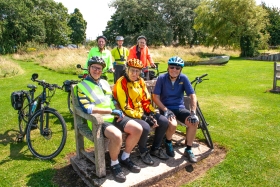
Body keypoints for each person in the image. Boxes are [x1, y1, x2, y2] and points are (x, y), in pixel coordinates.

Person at [76, 56, 143, 182]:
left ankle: (125, 157)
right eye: (94, 68)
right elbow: (87, 108)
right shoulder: (81, 86)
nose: (97, 71)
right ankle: (114, 163)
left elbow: (112, 100)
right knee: (117, 135)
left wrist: (118, 111)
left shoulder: (104, 83)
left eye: (100, 68)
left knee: (137, 129)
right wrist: (111, 111)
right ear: (89, 68)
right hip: (99, 121)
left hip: (114, 116)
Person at [113, 58, 175, 166]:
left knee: (164, 121)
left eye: (137, 71)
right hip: (129, 114)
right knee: (145, 127)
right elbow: (125, 107)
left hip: (142, 112)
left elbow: (146, 99)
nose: (135, 73)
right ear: (127, 69)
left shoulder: (141, 81)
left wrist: (151, 113)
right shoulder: (121, 82)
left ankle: (155, 148)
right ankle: (143, 151)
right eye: (132, 70)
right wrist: (143, 117)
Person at [152, 56, 199, 163]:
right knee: (173, 125)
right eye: (172, 67)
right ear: (168, 67)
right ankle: (168, 142)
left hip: (180, 108)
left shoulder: (184, 78)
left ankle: (188, 149)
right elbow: (155, 97)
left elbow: (192, 95)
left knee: (194, 122)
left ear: (181, 69)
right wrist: (165, 110)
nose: (174, 70)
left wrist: (193, 112)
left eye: (177, 68)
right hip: (166, 109)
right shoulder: (161, 78)